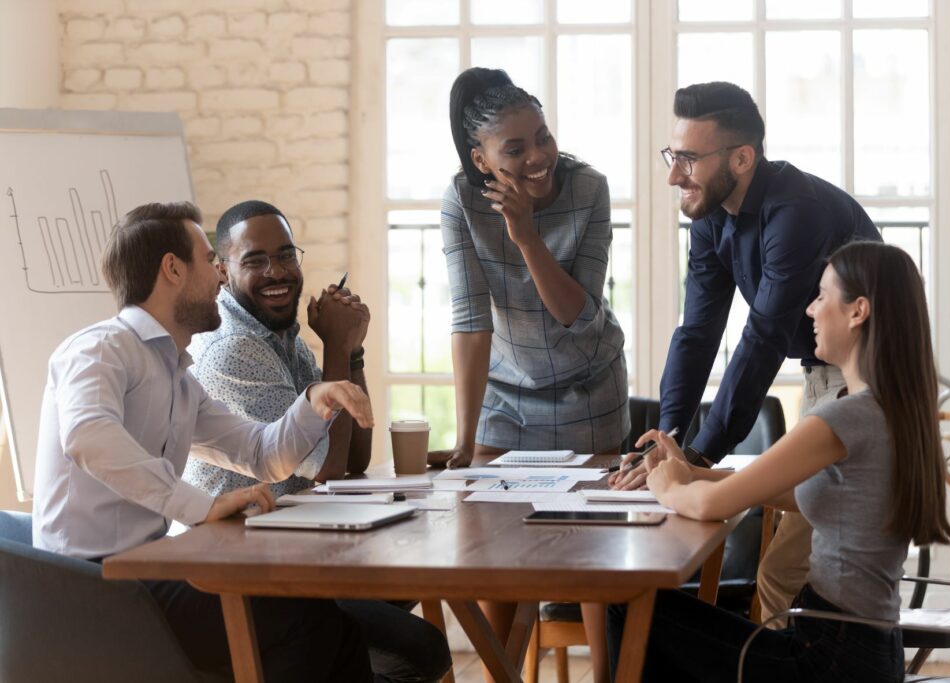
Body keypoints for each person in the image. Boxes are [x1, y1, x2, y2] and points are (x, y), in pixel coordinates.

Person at [33, 201, 376, 682]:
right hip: (93, 591)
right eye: (207, 260)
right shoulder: (98, 350)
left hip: (143, 572)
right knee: (308, 622)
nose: (220, 276)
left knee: (332, 626)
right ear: (172, 268)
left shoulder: (175, 374)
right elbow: (87, 435)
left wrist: (314, 399)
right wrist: (197, 505)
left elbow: (263, 454)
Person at [608, 240, 950, 682]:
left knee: (628, 603)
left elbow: (709, 507)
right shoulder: (892, 408)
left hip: (825, 661)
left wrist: (666, 482)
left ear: (858, 311)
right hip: (861, 652)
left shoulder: (842, 416)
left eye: (822, 296)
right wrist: (695, 472)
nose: (810, 310)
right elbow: (797, 490)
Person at [610, 81, 882, 625]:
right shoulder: (710, 215)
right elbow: (698, 333)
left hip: (866, 376)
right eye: (672, 155)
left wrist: (699, 458)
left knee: (784, 571)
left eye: (688, 159)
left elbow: (761, 337)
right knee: (786, 570)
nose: (672, 176)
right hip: (826, 371)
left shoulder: (793, 210)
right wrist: (669, 439)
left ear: (741, 157)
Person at [184, 199, 452, 683]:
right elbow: (324, 464)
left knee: (405, 587)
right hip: (252, 574)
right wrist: (337, 345)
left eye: (286, 255)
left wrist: (352, 352)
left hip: (303, 552)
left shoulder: (277, 332)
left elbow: (355, 456)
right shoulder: (232, 348)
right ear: (222, 270)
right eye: (256, 260)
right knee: (422, 649)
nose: (276, 271)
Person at [438, 67, 630, 683]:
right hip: (508, 393)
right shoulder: (462, 200)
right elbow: (470, 322)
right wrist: (466, 439)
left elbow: (578, 312)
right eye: (515, 149)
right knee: (498, 558)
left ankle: (605, 676)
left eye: (542, 137)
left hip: (589, 383)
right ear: (481, 158)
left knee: (593, 557)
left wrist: (525, 236)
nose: (538, 156)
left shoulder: (588, 188)